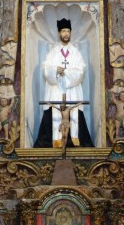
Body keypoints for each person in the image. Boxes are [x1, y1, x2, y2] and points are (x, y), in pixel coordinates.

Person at [33, 18, 93, 148]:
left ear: (71, 33)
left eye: (68, 31)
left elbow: (81, 70)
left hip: (72, 90)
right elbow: (45, 69)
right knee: (53, 114)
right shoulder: (53, 52)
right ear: (59, 33)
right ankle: (54, 142)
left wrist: (66, 72)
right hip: (56, 90)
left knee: (74, 113)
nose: (66, 34)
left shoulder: (76, 52)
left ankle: (73, 141)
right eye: (63, 31)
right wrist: (55, 70)